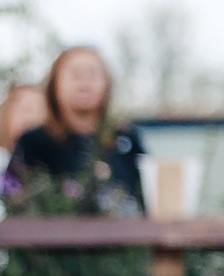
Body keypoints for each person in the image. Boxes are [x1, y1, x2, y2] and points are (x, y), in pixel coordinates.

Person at [2, 46, 147, 215]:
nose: (84, 82)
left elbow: (147, 199)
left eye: (92, 74)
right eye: (75, 75)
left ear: (107, 84)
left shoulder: (126, 138)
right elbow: (13, 202)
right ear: (54, 84)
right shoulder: (34, 142)